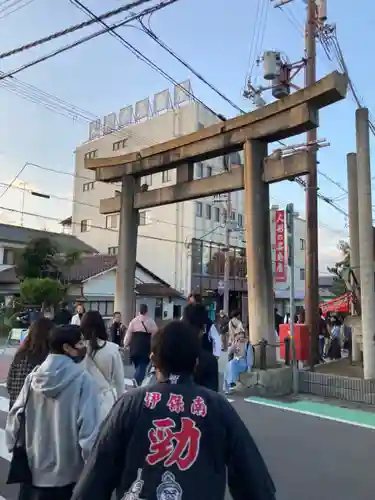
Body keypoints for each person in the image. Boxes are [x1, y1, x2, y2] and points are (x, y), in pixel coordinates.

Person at [71, 320, 276, 500]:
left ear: (153, 360)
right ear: (195, 363)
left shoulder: (130, 403)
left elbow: (96, 476)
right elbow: (255, 482)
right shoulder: (217, 406)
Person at [6, 324, 101, 500]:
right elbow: (89, 433)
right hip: (68, 475)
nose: (84, 348)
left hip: (33, 471)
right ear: (67, 348)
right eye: (80, 344)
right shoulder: (82, 380)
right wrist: (92, 470)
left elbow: (15, 417)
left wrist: (12, 445)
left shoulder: (33, 378)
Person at [81, 310, 125, 421]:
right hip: (106, 401)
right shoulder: (112, 349)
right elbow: (119, 382)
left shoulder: (78, 349)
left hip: (82, 401)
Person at [6, 317, 54, 409]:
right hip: (34, 411)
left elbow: (9, 383)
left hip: (16, 407)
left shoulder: (20, 354)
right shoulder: (47, 359)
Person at [183, 303, 219, 391]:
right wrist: (217, 355)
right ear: (203, 328)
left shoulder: (169, 353)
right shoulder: (209, 361)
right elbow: (212, 397)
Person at [124, 304, 158, 386]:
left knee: (137, 364)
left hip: (135, 346)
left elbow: (128, 335)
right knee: (143, 364)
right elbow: (156, 334)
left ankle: (138, 380)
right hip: (145, 346)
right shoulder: (151, 321)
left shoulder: (133, 321)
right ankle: (137, 379)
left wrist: (125, 344)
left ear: (138, 311)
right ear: (147, 311)